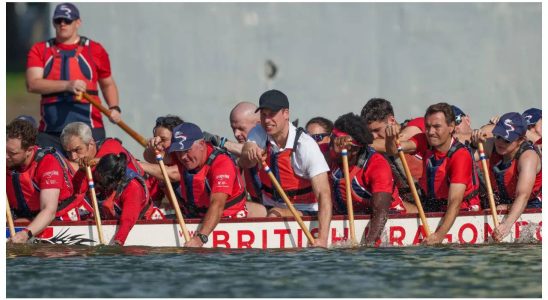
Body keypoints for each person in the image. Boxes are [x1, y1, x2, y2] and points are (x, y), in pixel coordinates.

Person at [240, 89, 332, 248]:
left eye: (272, 114)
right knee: (239, 211)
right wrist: (249, 152)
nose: (267, 120)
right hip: (270, 205)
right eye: (263, 114)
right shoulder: (259, 132)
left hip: (306, 211)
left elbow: (324, 194)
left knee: (274, 214)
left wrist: (322, 239)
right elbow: (246, 156)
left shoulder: (305, 146)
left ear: (286, 114)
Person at [25, 3, 121, 152]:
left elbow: (107, 84)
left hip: (89, 129)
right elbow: (33, 84)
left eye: (67, 20)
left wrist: (114, 108)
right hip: (51, 130)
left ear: (78, 23)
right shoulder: (40, 49)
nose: (62, 24)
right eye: (58, 20)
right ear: (53, 23)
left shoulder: (95, 49)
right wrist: (67, 85)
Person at [385, 102, 481, 245]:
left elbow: (455, 201)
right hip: (433, 205)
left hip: (462, 210)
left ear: (451, 127)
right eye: (428, 127)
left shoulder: (460, 155)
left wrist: (439, 235)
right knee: (390, 205)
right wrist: (390, 138)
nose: (430, 132)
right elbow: (394, 150)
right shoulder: (424, 140)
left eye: (436, 127)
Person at [145, 122, 249, 247]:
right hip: (195, 217)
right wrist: (153, 147)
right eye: (179, 151)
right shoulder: (181, 155)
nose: (183, 157)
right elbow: (150, 157)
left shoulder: (222, 163)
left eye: (187, 150)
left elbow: (217, 204)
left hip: (227, 219)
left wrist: (200, 238)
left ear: (201, 144)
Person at [6, 119, 92, 243]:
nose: (5, 156)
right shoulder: (8, 160)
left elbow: (49, 210)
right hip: (25, 217)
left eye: (12, 153)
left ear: (29, 150)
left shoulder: (47, 162)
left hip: (58, 219)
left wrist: (25, 234)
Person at [329, 113, 406, 245]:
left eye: (336, 142)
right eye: (332, 140)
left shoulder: (376, 164)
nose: (331, 147)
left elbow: (381, 211)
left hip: (386, 215)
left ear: (353, 149)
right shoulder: (331, 154)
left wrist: (368, 247)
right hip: (352, 214)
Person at [471, 112, 541, 242]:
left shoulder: (528, 157)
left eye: (507, 140)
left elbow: (523, 195)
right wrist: (473, 142)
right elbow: (464, 157)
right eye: (498, 136)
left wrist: (507, 224)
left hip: (531, 203)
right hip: (502, 200)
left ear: (521, 140)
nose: (500, 142)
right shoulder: (492, 144)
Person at [92, 153, 164, 245]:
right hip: (119, 221)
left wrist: (118, 241)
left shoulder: (133, 188)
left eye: (100, 178)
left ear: (111, 179)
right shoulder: (108, 178)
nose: (97, 181)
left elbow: (128, 219)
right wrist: (82, 171)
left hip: (145, 222)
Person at [60, 122, 144, 195]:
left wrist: (90, 163)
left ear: (91, 143)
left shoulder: (111, 145)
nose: (73, 157)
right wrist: (82, 171)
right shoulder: (82, 166)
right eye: (68, 152)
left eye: (77, 149)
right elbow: (77, 193)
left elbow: (111, 160)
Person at [360, 98, 424, 180]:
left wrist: (357, 141)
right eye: (370, 132)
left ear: (391, 120)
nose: (374, 136)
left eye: (377, 130)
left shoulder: (418, 123)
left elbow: (397, 144)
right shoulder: (374, 146)